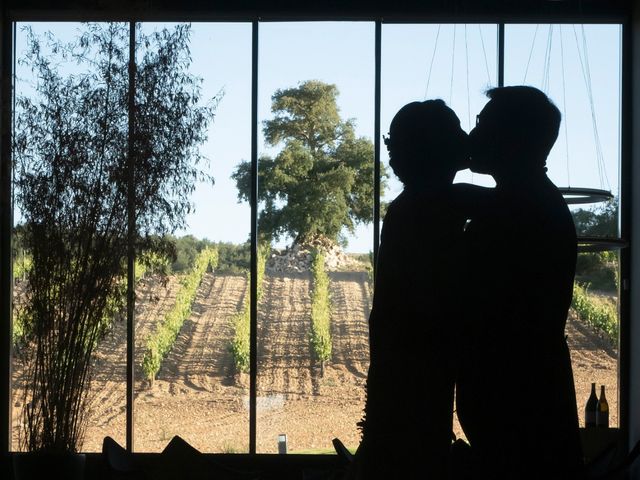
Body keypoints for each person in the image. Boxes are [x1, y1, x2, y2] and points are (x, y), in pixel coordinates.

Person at [456, 86, 585, 479]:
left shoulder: (515, 208)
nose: (472, 137)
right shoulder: (530, 201)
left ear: (513, 138)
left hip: (517, 405)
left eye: (483, 124)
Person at [352, 100, 470, 479]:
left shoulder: (409, 207)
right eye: (458, 133)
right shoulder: (435, 205)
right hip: (415, 381)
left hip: (399, 376)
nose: (467, 138)